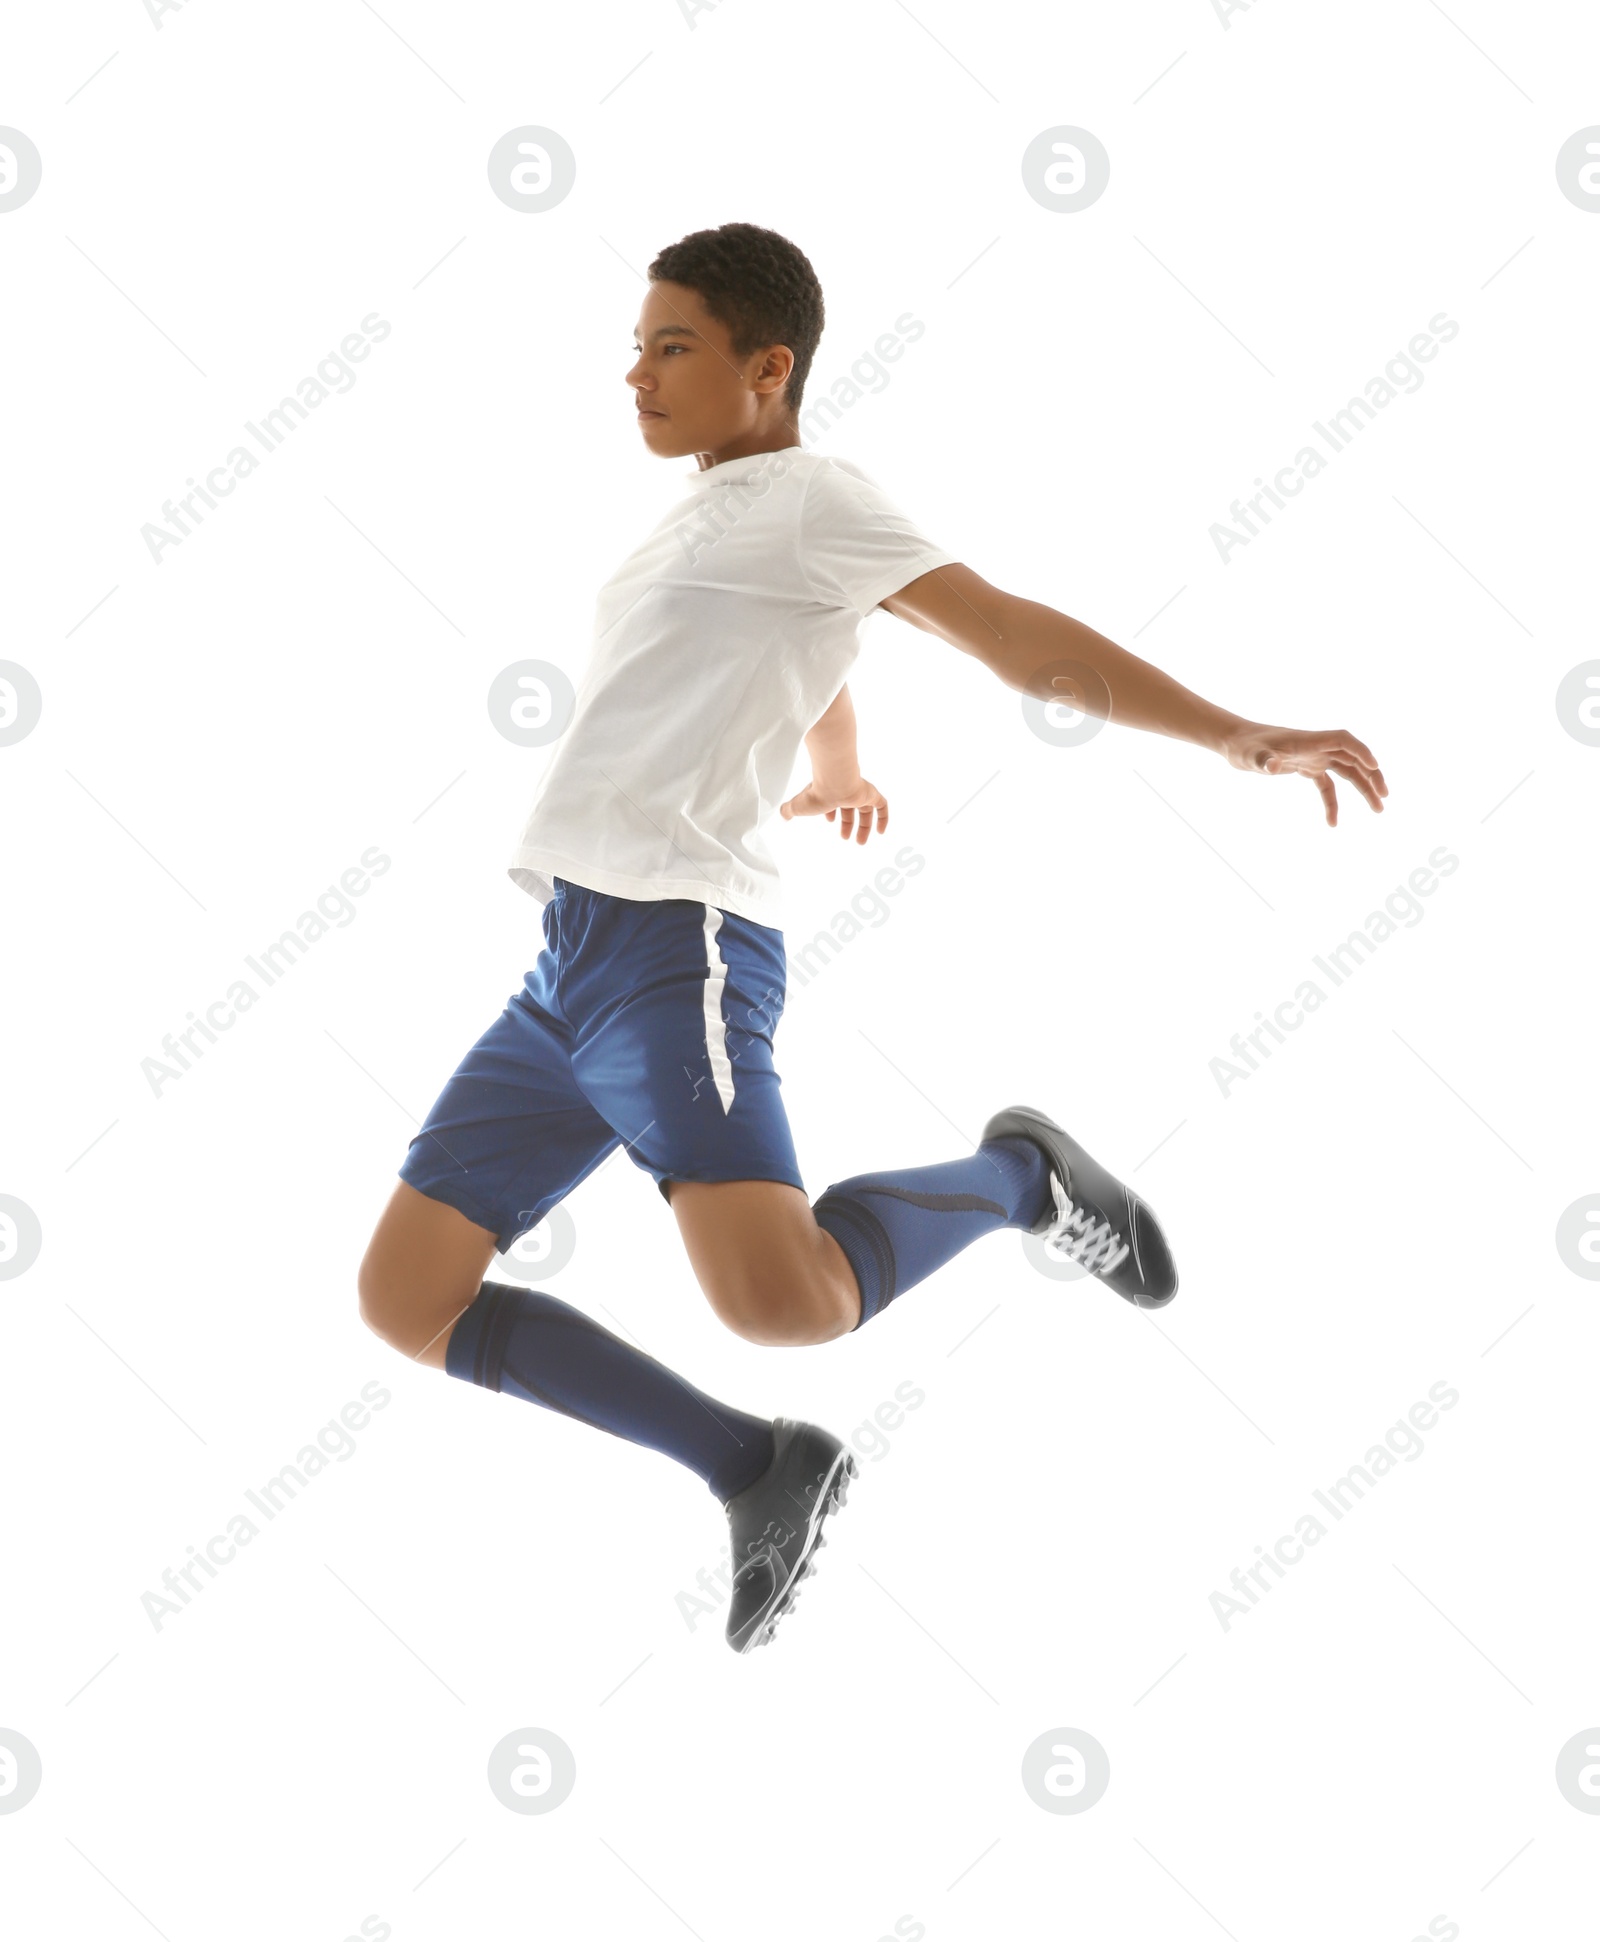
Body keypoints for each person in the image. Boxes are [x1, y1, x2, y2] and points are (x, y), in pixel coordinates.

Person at [357, 222, 1387, 1655]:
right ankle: (759, 1466)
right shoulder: (700, 517)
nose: (637, 375)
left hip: (677, 952)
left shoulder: (816, 495)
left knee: (788, 1304)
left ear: (766, 367)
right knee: (405, 1297)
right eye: (636, 347)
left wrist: (1232, 735)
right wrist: (836, 757)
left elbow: (1010, 633)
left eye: (672, 347)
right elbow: (794, 645)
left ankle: (1024, 1177)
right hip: (567, 969)